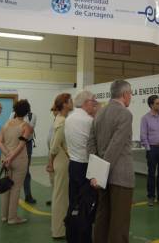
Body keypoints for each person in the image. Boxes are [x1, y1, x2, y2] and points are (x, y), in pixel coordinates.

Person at [87, 80, 134, 243]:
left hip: (102, 177)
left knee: (102, 217)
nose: (131, 97)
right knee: (119, 222)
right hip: (120, 177)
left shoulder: (99, 112)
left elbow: (91, 143)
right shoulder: (125, 114)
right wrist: (100, 174)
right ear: (125, 95)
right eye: (131, 94)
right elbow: (116, 145)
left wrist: (95, 174)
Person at [65, 90, 98, 243]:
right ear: (86, 103)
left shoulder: (69, 118)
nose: (96, 104)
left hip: (73, 164)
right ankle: (84, 238)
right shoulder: (88, 121)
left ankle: (72, 236)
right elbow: (95, 144)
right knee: (86, 206)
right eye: (94, 101)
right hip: (86, 166)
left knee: (74, 204)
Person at [0, 99, 33, 225]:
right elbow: (22, 144)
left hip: (5, 160)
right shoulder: (26, 126)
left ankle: (4, 216)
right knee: (16, 188)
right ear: (27, 112)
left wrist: (7, 155)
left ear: (14, 110)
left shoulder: (6, 124)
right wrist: (11, 157)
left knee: (6, 186)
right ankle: (12, 218)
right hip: (19, 160)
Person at [47, 93, 73, 239]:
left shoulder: (60, 119)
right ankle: (58, 231)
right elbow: (55, 144)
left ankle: (60, 228)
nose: (72, 102)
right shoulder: (62, 121)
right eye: (70, 101)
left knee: (61, 195)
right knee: (60, 197)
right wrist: (50, 161)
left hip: (60, 159)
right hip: (62, 160)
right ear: (64, 104)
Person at [9, 103, 37, 204]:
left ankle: (28, 195)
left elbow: (29, 131)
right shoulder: (12, 115)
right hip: (14, 143)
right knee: (11, 169)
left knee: (26, 171)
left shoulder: (32, 116)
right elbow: (10, 128)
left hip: (27, 144)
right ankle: (10, 194)